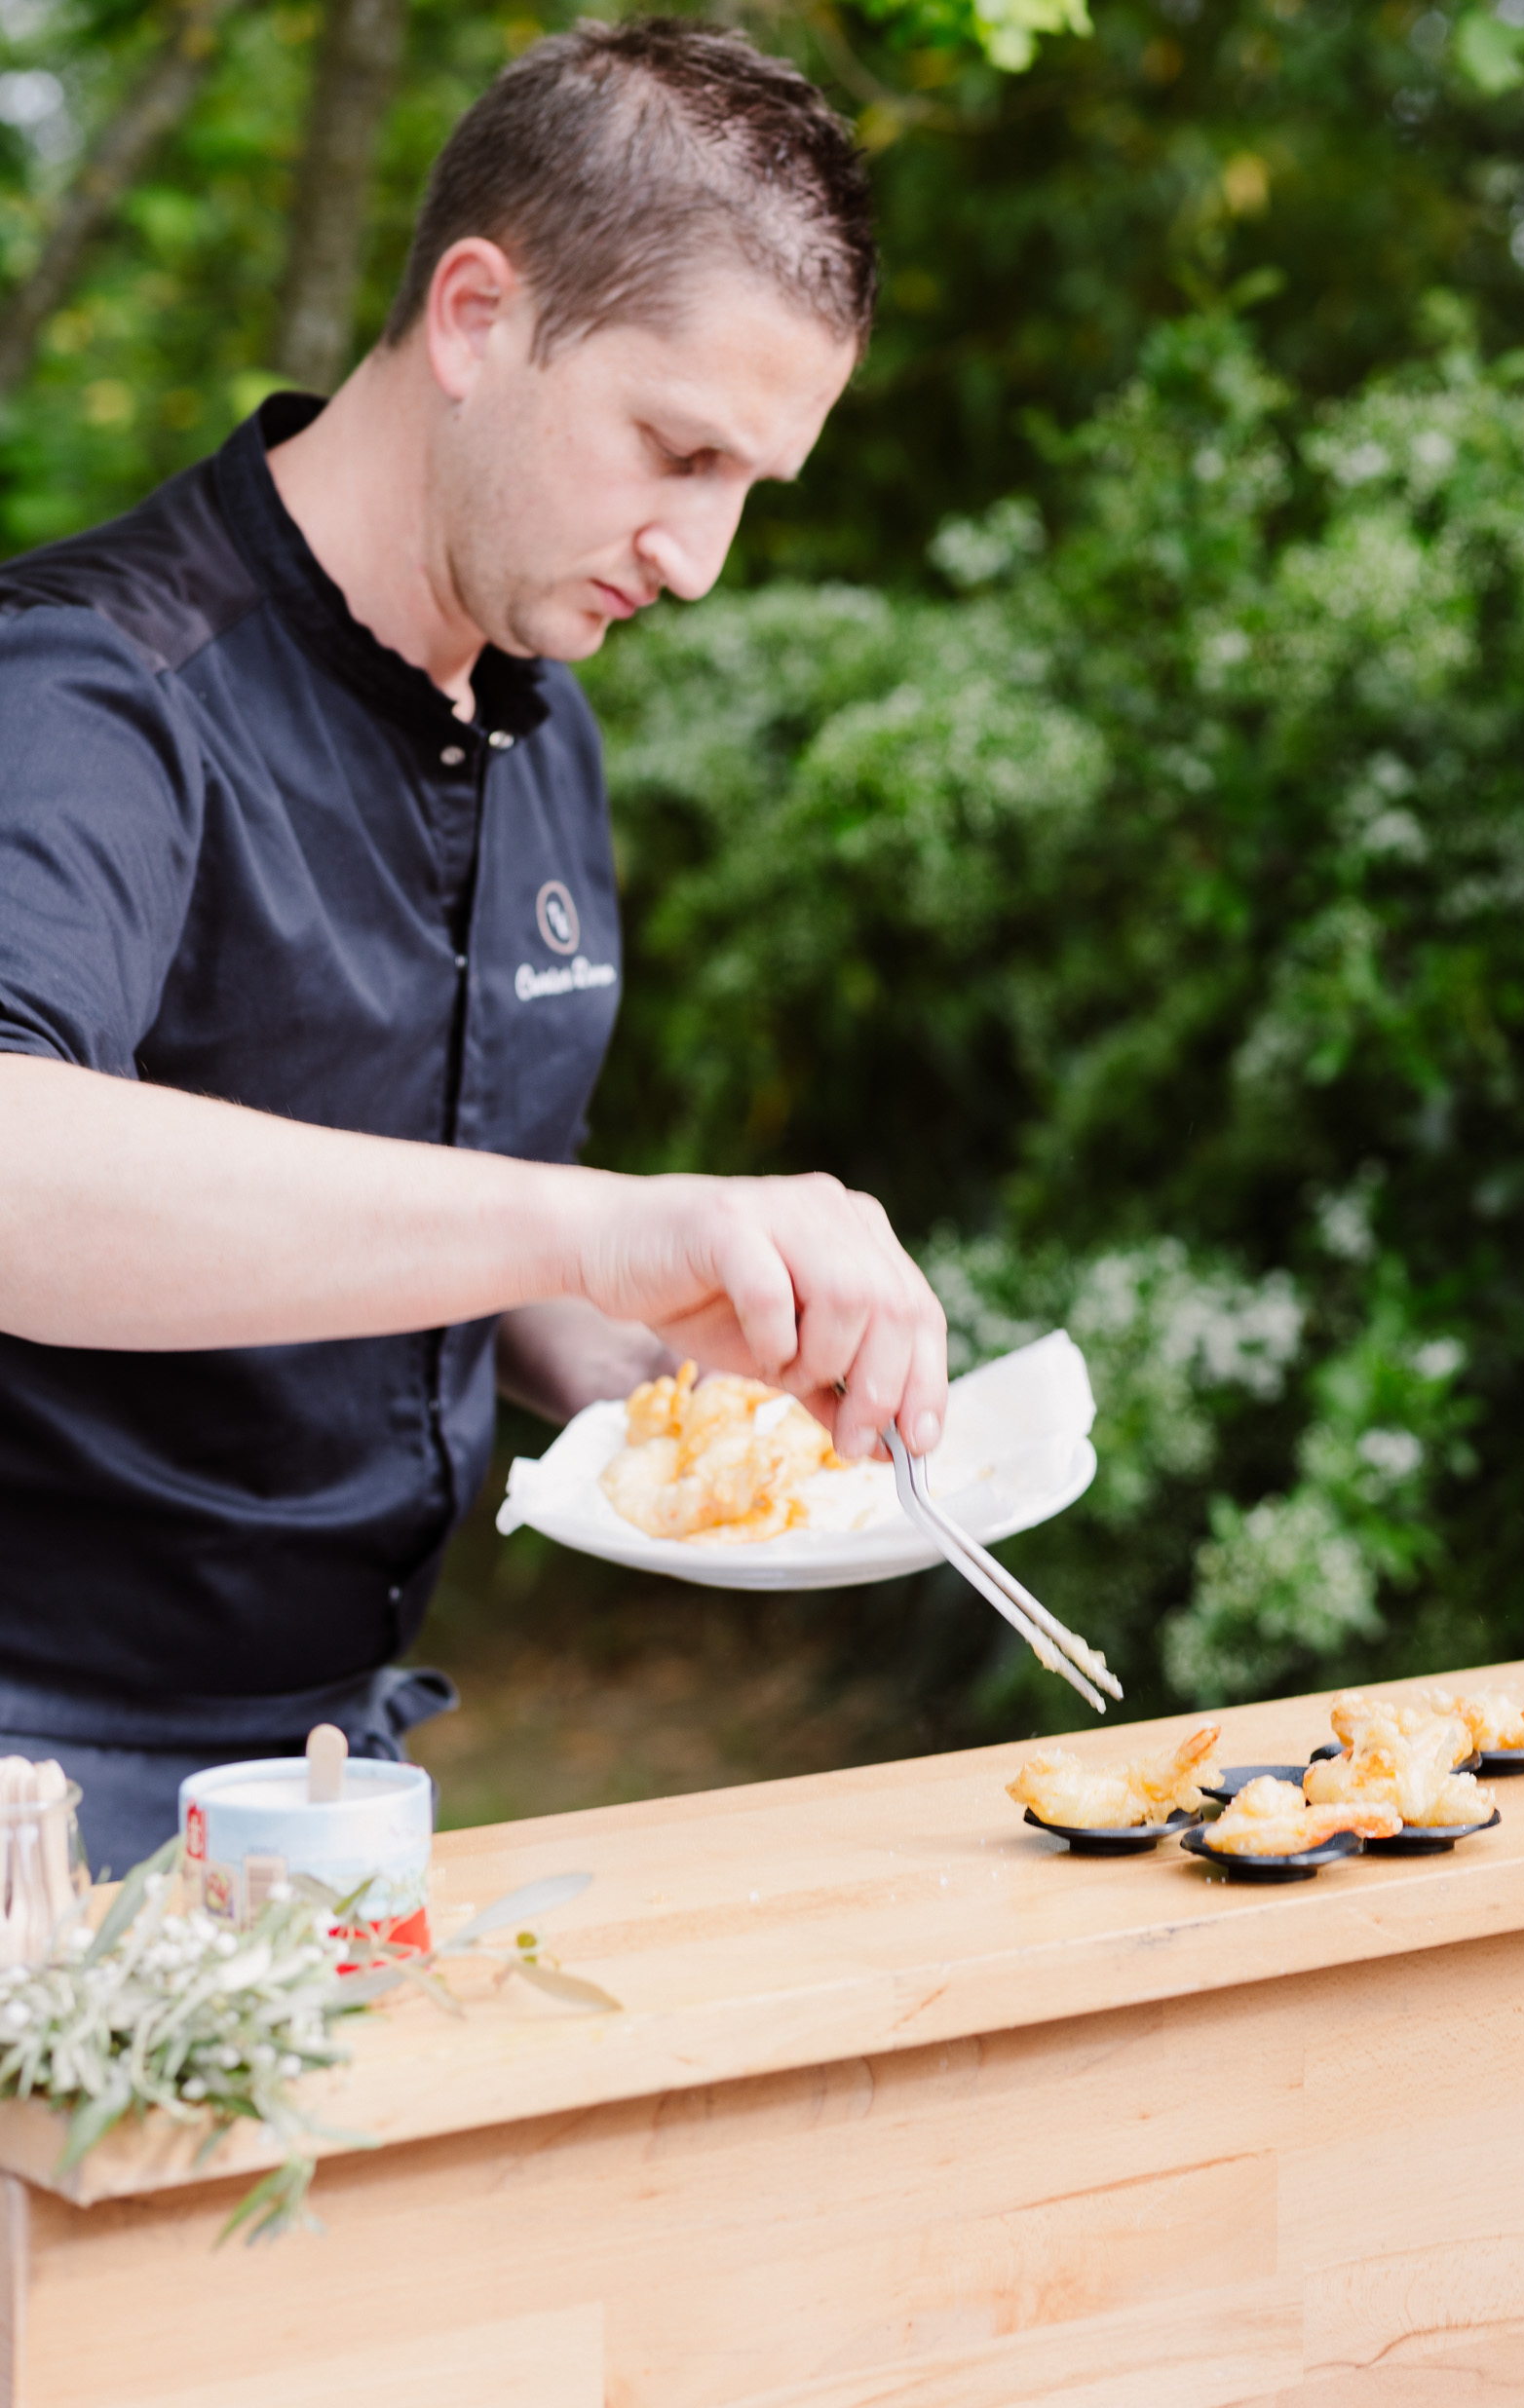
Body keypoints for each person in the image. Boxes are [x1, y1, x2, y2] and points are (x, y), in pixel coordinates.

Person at [0, 19, 947, 1873]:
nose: (699, 557)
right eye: (677, 450)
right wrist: (602, 1222)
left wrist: (676, 1368)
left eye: (749, 486)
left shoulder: (540, 724)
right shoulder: (91, 688)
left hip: (337, 1759)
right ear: (475, 316)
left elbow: (450, 1210)